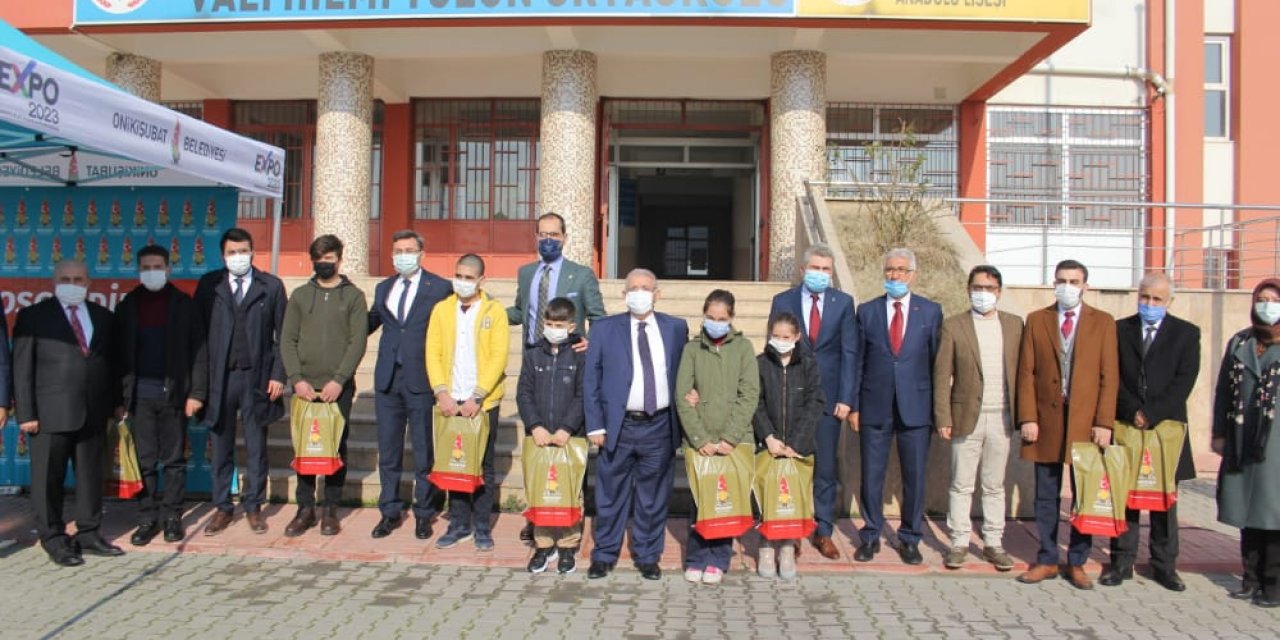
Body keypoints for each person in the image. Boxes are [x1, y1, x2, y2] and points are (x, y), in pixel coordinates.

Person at [1016, 259, 1118, 590]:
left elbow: (1109, 377)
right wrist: (1028, 416)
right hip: (1045, 423)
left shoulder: (1102, 323)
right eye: (1062, 280)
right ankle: (1046, 557)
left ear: (1085, 285)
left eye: (1074, 281)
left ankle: (1077, 561)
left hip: (1085, 424)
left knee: (1082, 495)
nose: (1067, 286)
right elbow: (1026, 373)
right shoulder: (1037, 320)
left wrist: (1104, 421)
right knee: (1045, 495)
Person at [14, 260, 123, 566]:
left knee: (90, 477)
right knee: (49, 479)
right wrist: (26, 413)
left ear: (88, 283)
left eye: (78, 279)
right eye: (65, 279)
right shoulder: (33, 316)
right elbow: (22, 369)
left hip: (93, 413)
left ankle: (88, 533)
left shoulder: (103, 317)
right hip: (48, 415)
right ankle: (54, 538)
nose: (72, 283)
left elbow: (111, 364)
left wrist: (116, 402)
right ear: (54, 281)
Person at [584, 268, 689, 580]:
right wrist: (595, 426)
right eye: (633, 288)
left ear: (657, 294)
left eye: (645, 288)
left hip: (659, 426)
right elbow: (591, 380)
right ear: (623, 294)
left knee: (653, 496)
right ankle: (604, 554)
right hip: (619, 426)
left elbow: (686, 371)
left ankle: (647, 555)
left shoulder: (676, 328)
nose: (639, 293)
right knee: (610, 494)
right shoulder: (604, 329)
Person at [508, 212, 606, 543]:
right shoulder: (525, 274)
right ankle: (537, 514)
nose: (547, 239)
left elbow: (598, 317)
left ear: (564, 237)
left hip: (569, 368)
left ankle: (569, 513)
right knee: (537, 449)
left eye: (554, 234)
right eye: (542, 234)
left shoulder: (581, 275)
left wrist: (590, 346)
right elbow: (520, 313)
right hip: (535, 366)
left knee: (567, 450)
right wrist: (485, 310)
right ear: (535, 236)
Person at [1102, 272, 1200, 591]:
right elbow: (1111, 376)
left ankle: (1164, 566)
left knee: (1164, 500)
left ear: (1169, 301)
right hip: (1128, 423)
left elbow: (1184, 381)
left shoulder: (1186, 334)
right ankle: (1121, 562)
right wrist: (1133, 411)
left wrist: (1152, 413)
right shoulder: (1119, 330)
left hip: (1165, 428)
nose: (1149, 304)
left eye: (1157, 299)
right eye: (1145, 297)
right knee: (1126, 496)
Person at [850, 248, 942, 565]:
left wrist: (936, 410)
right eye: (890, 269)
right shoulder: (868, 311)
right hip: (874, 405)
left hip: (915, 407)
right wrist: (854, 406)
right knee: (871, 475)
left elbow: (936, 364)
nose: (895, 275)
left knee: (914, 477)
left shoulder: (930, 312)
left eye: (902, 270)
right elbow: (858, 361)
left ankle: (910, 538)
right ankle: (871, 534)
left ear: (913, 274)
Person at [768, 243, 858, 559]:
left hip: (830, 400)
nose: (821, 274)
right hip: (791, 397)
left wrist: (847, 398)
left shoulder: (844, 303)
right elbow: (774, 348)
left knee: (825, 468)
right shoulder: (783, 301)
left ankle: (823, 531)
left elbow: (850, 352)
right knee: (791, 466)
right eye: (816, 268)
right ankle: (790, 531)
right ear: (803, 270)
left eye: (826, 269)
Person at [195, 227, 288, 536]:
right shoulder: (210, 286)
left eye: (243, 251)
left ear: (252, 252)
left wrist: (278, 374)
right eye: (232, 252)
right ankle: (222, 506)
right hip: (220, 377)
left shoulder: (270, 286)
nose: (238, 257)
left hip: (257, 378)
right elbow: (199, 339)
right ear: (223, 256)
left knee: (256, 444)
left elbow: (283, 337)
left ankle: (253, 505)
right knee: (221, 445)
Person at [114, 245, 208, 545]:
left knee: (174, 461)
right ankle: (146, 518)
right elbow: (117, 357)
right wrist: (119, 399)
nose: (152, 272)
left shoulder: (183, 304)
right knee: (145, 462)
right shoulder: (128, 304)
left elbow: (199, 352)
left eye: (157, 266)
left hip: (175, 396)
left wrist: (196, 393)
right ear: (139, 271)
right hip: (139, 398)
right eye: (146, 267)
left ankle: (171, 517)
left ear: (168, 269)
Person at [933, 265, 1022, 571]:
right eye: (977, 288)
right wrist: (943, 416)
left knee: (995, 485)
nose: (983, 293)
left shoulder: (1014, 326)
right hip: (965, 416)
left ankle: (993, 543)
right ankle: (958, 542)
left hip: (1002, 417)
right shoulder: (954, 326)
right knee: (961, 484)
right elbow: (942, 375)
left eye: (989, 288)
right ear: (968, 289)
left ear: (999, 291)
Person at [280, 234, 368, 537]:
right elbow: (287, 339)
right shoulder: (301, 296)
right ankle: (305, 509)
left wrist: (340, 380)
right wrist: (296, 379)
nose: (324, 264)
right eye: (319, 259)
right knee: (304, 448)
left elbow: (357, 341)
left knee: (335, 446)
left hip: (337, 389)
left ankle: (331, 509)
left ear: (339, 259)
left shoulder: (354, 297)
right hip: (304, 386)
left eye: (329, 259)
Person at [367, 230, 452, 541]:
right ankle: (389, 510)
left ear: (421, 253)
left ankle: (424, 512)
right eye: (398, 250)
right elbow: (370, 321)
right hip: (388, 378)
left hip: (421, 377)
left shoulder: (440, 288)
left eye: (409, 250)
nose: (403, 255)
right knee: (388, 451)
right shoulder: (383, 287)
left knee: (422, 451)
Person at [675, 289, 759, 585]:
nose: (716, 323)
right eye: (710, 317)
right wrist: (700, 438)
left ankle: (719, 559)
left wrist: (731, 437)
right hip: (702, 441)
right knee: (701, 499)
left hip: (734, 441)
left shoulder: (744, 348)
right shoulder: (692, 349)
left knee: (727, 499)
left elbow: (749, 394)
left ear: (732, 318)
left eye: (722, 318)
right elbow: (683, 396)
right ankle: (697, 557)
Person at [426, 253, 509, 552]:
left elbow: (499, 355)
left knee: (482, 464)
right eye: (458, 276)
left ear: (481, 280)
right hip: (450, 398)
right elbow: (432, 351)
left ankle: (482, 526)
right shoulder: (441, 310)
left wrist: (478, 395)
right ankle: (459, 524)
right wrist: (441, 392)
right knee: (454, 463)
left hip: (482, 402)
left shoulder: (494, 311)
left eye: (468, 277)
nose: (462, 282)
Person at [1214, 278, 1280, 608]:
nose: (1266, 305)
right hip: (1241, 436)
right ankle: (1250, 578)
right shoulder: (1240, 341)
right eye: (1261, 299)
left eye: (1273, 299)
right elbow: (1223, 391)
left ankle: (1273, 584)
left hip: (1274, 443)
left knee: (1273, 513)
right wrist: (1219, 433)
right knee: (1245, 511)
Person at [517, 297, 586, 574]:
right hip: (540, 436)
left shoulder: (581, 354)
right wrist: (535, 426)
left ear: (571, 326)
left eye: (559, 324)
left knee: (569, 491)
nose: (553, 328)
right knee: (541, 490)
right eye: (549, 323)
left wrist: (567, 428)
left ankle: (568, 544)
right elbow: (523, 393)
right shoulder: (533, 354)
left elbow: (583, 395)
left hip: (569, 437)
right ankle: (543, 544)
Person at [752, 312, 824, 580]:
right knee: (768, 497)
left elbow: (815, 402)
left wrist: (796, 442)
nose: (780, 341)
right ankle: (766, 547)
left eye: (786, 337)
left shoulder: (808, 364)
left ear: (796, 337)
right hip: (768, 445)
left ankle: (787, 546)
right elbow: (755, 403)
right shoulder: (759, 364)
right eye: (776, 336)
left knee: (791, 498)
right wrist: (768, 436)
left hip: (798, 447)